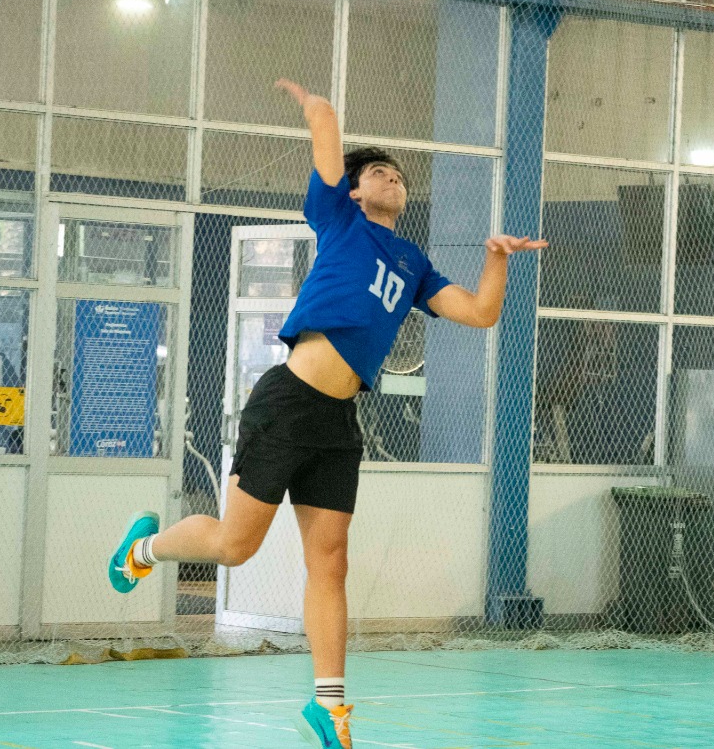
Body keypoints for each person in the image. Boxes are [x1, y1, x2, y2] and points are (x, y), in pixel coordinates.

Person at [106, 79, 546, 749]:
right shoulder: (338, 219)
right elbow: (327, 140)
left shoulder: (414, 262)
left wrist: (496, 261)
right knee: (235, 546)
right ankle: (143, 549)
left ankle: (330, 708)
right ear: (352, 188)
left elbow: (482, 314)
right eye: (377, 171)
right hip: (287, 404)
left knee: (331, 561)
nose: (392, 178)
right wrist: (321, 111)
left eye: (398, 174)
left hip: (339, 422)